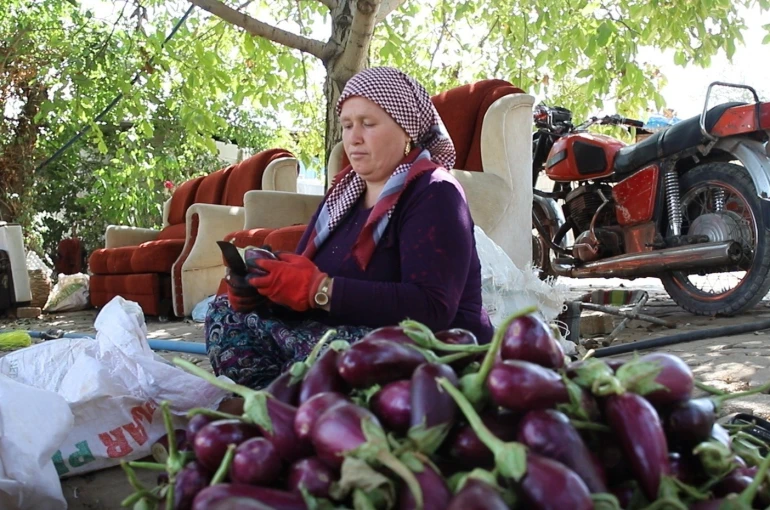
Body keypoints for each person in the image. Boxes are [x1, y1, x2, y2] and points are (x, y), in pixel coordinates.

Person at [205, 67, 494, 389]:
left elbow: (432, 308)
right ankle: (273, 402)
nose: (353, 138)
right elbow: (304, 286)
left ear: (407, 129)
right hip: (344, 331)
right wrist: (264, 293)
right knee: (226, 314)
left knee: (333, 352)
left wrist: (322, 290)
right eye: (347, 125)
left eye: (368, 124)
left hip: (432, 349)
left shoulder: (435, 192)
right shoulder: (343, 194)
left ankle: (293, 402)